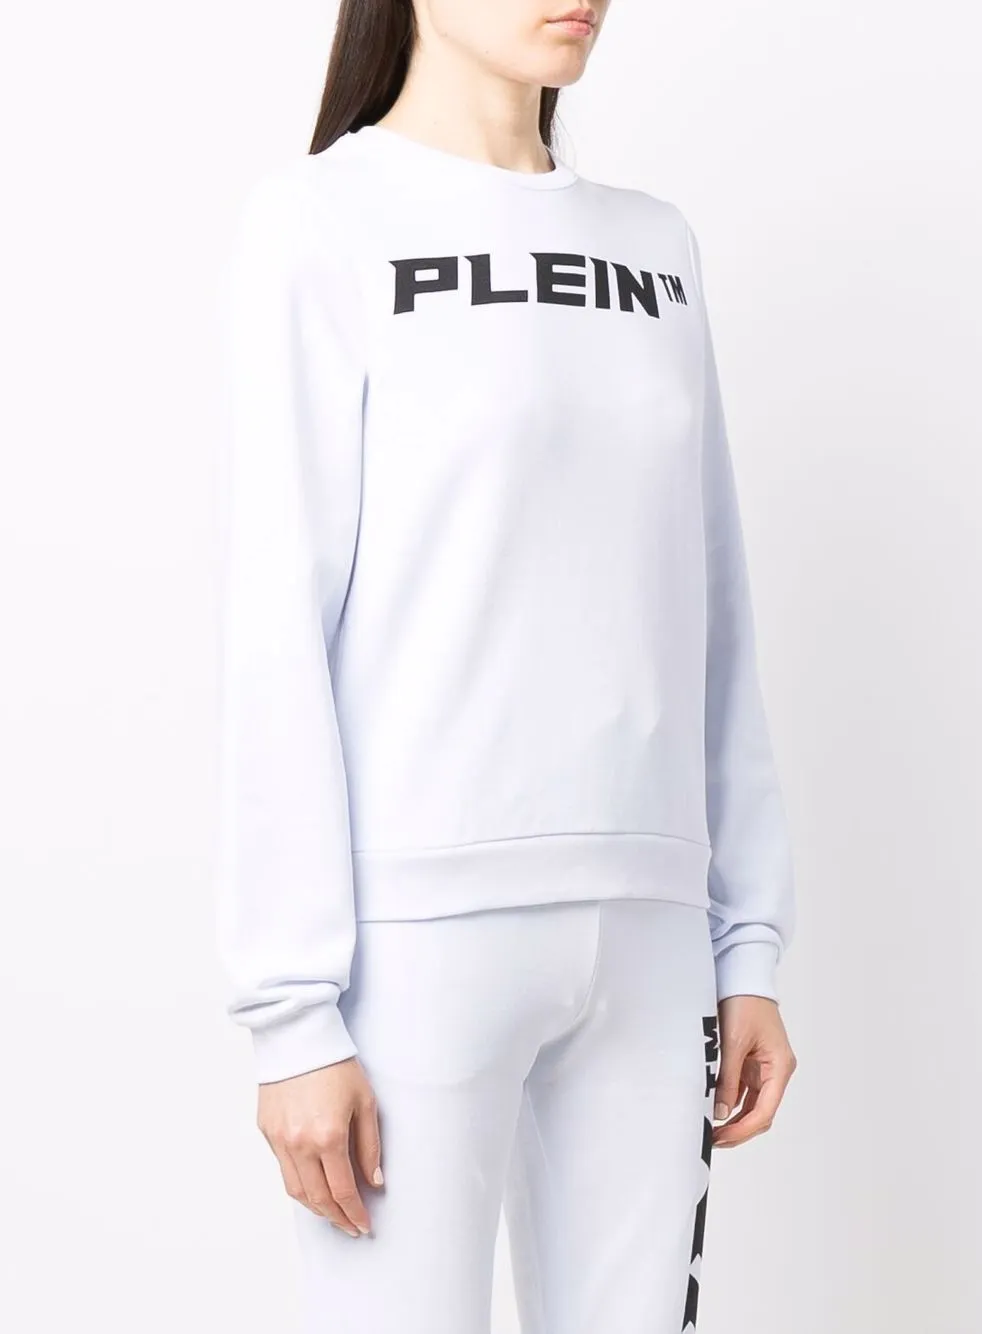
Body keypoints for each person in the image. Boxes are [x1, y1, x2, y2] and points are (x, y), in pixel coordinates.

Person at [216, 1, 799, 1331]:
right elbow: (275, 624)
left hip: (653, 939)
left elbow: (711, 603)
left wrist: (749, 944)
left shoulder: (656, 248)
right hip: (414, 949)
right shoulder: (321, 224)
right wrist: (292, 1013)